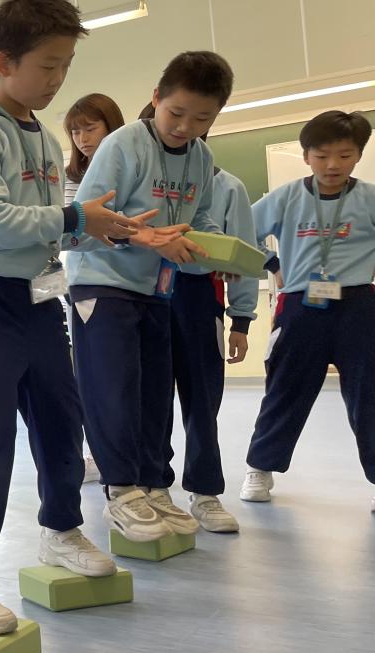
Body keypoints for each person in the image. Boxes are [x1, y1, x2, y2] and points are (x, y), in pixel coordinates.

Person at [0, 0, 149, 635]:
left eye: (65, 66)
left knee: (60, 420)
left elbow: (49, 231)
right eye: (48, 65)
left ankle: (61, 529)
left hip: (40, 296)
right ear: (3, 62)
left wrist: (113, 231)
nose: (57, 79)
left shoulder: (45, 142)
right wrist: (76, 217)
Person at [69, 51, 234, 543]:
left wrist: (217, 250)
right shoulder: (122, 144)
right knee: (113, 389)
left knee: (155, 394)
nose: (185, 127)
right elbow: (85, 219)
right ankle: (121, 490)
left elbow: (199, 220)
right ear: (156, 98)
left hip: (156, 288)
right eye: (176, 113)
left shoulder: (202, 158)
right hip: (102, 281)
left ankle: (154, 485)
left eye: (201, 119)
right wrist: (143, 237)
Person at [134, 105, 258, 533]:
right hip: (148, 293)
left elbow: (241, 252)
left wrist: (241, 319)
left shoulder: (226, 187)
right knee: (151, 396)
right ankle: (155, 485)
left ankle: (205, 491)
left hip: (198, 296)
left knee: (202, 399)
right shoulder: (141, 181)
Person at [243, 110, 375, 510]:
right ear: (306, 156)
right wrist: (272, 263)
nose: (332, 165)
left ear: (358, 155)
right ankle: (260, 467)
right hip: (301, 306)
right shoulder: (286, 197)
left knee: (369, 396)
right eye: (321, 155)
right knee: (285, 390)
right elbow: (242, 231)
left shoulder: (369, 198)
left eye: (344, 155)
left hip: (358, 306)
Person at [61, 93, 127, 485]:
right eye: (75, 131)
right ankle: (98, 455)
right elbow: (70, 235)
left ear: (111, 126)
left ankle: (126, 459)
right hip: (87, 285)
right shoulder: (71, 178)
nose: (83, 138)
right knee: (93, 380)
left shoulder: (130, 165)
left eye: (90, 128)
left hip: (136, 284)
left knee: (127, 383)